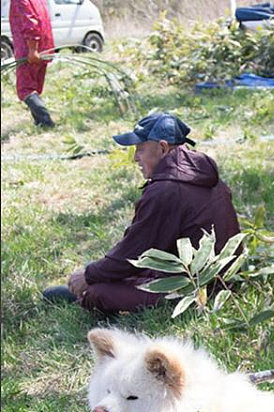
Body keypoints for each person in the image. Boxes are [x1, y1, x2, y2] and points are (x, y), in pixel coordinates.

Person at [43, 112, 242, 314]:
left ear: (163, 148)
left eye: (140, 149)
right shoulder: (199, 170)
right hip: (224, 279)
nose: (136, 157)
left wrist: (89, 276)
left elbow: (132, 255)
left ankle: (84, 295)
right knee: (108, 271)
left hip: (198, 290)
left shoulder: (166, 189)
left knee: (98, 292)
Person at [9, 0, 55, 128]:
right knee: (34, 89)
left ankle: (46, 122)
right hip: (44, 47)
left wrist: (32, 49)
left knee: (25, 89)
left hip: (29, 50)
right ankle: (39, 122)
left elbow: (31, 23)